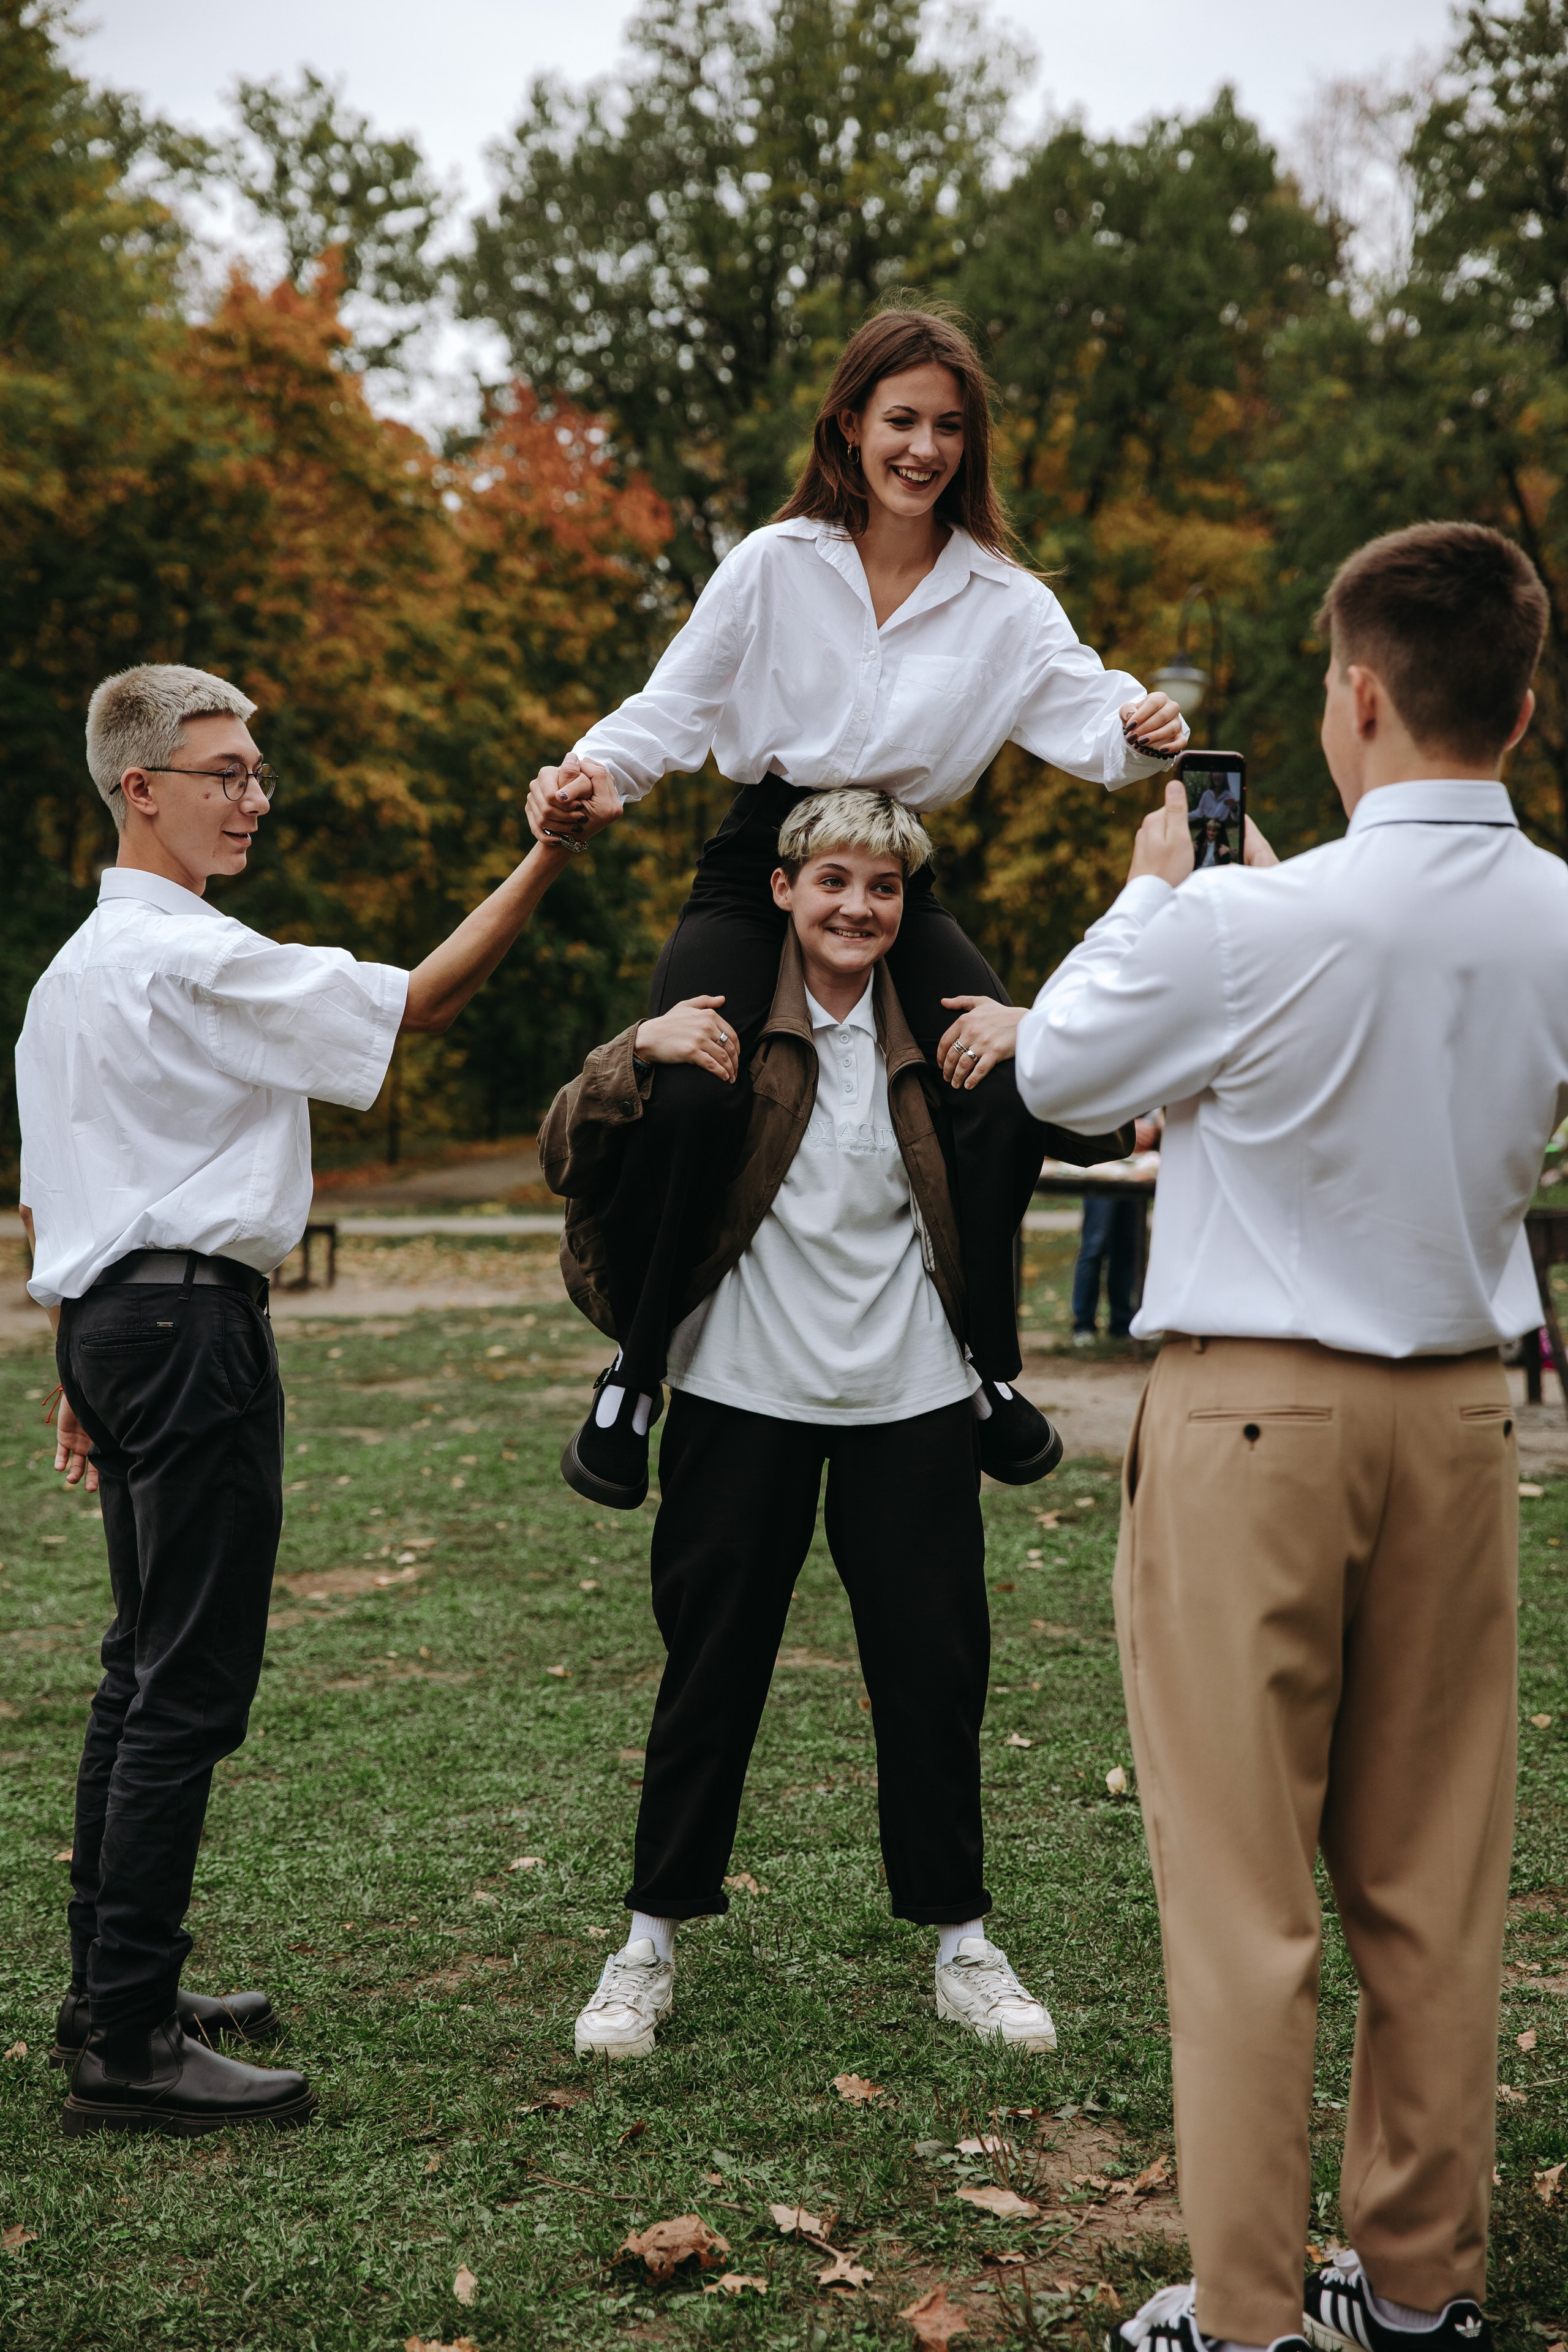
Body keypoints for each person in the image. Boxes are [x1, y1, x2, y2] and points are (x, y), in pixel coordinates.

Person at [1004, 522, 1568, 2352]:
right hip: (1465, 1409)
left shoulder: (1250, 917)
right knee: (1430, 1874)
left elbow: (1054, 1070)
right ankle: (1416, 2285)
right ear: (1522, 702)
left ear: (1357, 696)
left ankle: (1244, 2313)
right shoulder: (1553, 909)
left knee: (1243, 1895)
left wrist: (1160, 883)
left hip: (1254, 1409)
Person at [16, 663, 620, 2136]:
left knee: (135, 1665)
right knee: (185, 1686)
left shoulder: (71, 972)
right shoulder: (185, 957)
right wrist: (547, 849)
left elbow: (63, 1184)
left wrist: (74, 1358)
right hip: (187, 1330)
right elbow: (419, 1001)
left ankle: (112, 1989)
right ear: (139, 789)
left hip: (119, 1322)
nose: (254, 795)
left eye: (256, 769)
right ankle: (135, 2046)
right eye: (225, 771)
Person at [525, 303, 1183, 1507]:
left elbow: (1093, 719)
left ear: (967, 442)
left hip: (892, 869)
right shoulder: (774, 563)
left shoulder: (1004, 601)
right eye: (899, 421)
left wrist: (1141, 732)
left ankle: (980, 1363)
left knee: (997, 1071)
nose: (922, 447)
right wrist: (587, 778)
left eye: (945, 426)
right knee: (687, 1080)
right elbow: (668, 709)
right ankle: (635, 1367)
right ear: (849, 424)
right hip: (758, 858)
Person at [540, 790, 1060, 2063]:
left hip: (914, 1399)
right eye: (832, 883)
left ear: (904, 908)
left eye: (881, 890)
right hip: (741, 1393)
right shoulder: (716, 1033)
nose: (855, 909)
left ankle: (962, 1947)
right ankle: (647, 1944)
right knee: (708, 1674)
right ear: (781, 892)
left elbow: (1091, 1122)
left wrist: (1039, 1029)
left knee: (932, 1678)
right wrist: (635, 1052)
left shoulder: (939, 1043)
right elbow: (564, 1148)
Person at [1069, 1119, 1159, 1343]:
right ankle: (1083, 1324)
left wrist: (1156, 1125)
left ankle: (1122, 1323)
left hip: (1139, 1168)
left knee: (1129, 1247)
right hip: (1103, 1167)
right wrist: (1128, 1126)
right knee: (1095, 1246)